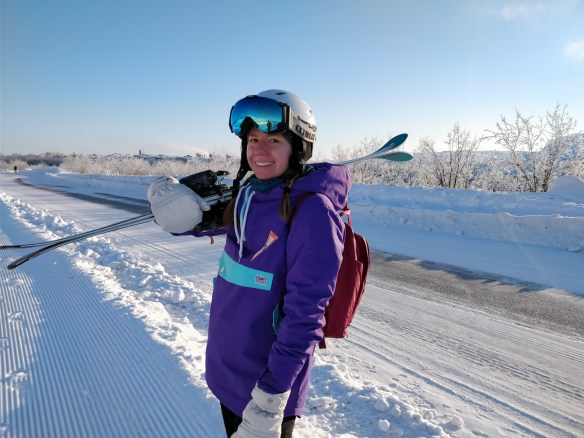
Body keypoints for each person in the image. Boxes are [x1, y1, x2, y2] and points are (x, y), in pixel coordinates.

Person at [148, 90, 350, 437]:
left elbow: (305, 317)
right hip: (226, 371)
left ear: (298, 147)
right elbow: (208, 224)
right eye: (253, 140)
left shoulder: (313, 212)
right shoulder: (250, 193)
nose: (259, 150)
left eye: (273, 140)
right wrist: (176, 209)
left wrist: (270, 399)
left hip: (263, 390)